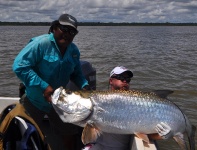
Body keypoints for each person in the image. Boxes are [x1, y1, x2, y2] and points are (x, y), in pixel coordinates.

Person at [12, 14, 90, 150]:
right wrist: (44, 86)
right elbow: (19, 66)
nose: (67, 34)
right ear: (55, 28)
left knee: (69, 133)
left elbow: (77, 73)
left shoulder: (74, 51)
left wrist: (85, 85)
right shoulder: (40, 44)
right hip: (34, 100)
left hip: (60, 102)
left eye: (72, 32)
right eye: (64, 29)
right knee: (24, 136)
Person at [84, 66, 172, 150]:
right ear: (111, 80)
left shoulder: (135, 105)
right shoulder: (99, 100)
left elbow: (147, 134)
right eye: (121, 78)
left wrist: (163, 135)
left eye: (127, 79)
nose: (125, 81)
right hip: (96, 145)